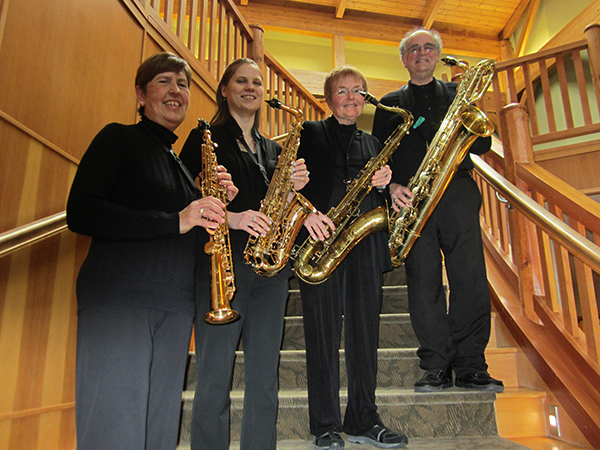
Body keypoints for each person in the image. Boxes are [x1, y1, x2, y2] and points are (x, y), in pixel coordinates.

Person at [66, 52, 238, 450]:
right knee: (115, 431)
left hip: (175, 308)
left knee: (159, 434)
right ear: (141, 95)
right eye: (164, 81)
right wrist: (176, 219)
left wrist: (218, 205)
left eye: (183, 84)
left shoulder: (179, 165)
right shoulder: (118, 138)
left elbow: (193, 240)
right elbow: (82, 211)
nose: (176, 90)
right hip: (120, 300)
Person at [178, 57, 310, 450]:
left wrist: (289, 193)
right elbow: (185, 197)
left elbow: (274, 209)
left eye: (257, 82)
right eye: (241, 81)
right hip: (224, 267)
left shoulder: (273, 149)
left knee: (265, 377)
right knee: (215, 375)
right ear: (224, 89)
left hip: (270, 273)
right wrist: (233, 219)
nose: (251, 87)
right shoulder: (204, 137)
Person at [371, 27, 504, 394]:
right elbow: (381, 158)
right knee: (423, 282)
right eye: (413, 49)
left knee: (470, 278)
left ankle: (472, 365)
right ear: (404, 59)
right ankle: (436, 364)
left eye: (429, 47)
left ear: (437, 54)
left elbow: (484, 143)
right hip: (413, 197)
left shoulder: (459, 94)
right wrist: (393, 186)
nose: (422, 53)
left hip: (457, 193)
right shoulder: (387, 105)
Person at [296, 65, 408, 449]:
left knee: (365, 334)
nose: (351, 97)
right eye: (342, 91)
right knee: (322, 335)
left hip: (363, 244)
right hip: (322, 243)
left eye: (358, 91)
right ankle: (325, 424)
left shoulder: (373, 144)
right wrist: (306, 214)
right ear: (328, 99)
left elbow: (380, 195)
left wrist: (388, 186)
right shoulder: (309, 133)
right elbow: (287, 187)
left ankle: (363, 417)